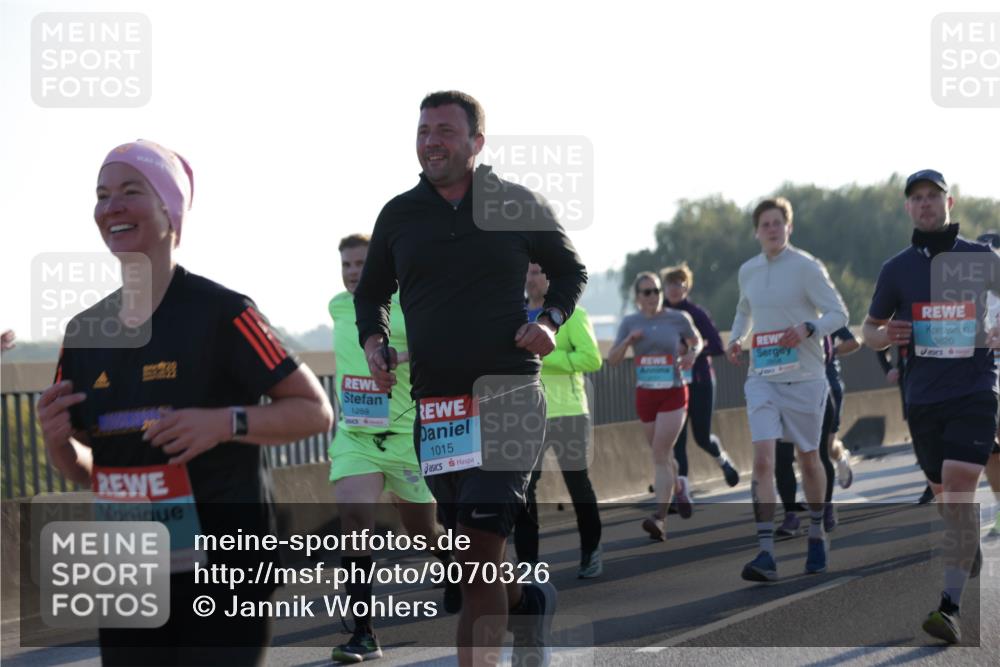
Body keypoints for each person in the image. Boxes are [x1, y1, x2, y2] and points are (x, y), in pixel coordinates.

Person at [36, 140, 334, 665]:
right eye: (103, 195)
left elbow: (314, 410)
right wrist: (58, 444)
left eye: (132, 191)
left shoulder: (223, 312)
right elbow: (91, 470)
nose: (113, 207)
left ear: (171, 213)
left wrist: (224, 422)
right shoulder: (83, 333)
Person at [354, 91, 587, 667]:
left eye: (445, 131)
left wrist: (552, 321)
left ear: (477, 142)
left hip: (507, 393)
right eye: (424, 130)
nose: (431, 140)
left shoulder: (515, 204)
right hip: (436, 406)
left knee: (481, 545)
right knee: (470, 552)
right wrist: (374, 343)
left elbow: (569, 270)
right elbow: (372, 293)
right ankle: (530, 603)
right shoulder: (399, 215)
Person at [863, 169, 995, 644]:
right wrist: (884, 335)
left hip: (976, 390)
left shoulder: (982, 258)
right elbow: (869, 329)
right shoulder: (896, 268)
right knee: (947, 498)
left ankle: (949, 608)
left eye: (932, 196)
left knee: (960, 488)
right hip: (923, 398)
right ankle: (967, 544)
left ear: (949, 203)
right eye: (916, 198)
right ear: (908, 208)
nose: (924, 204)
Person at [328, 233, 459, 662]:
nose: (352, 272)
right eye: (346, 264)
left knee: (423, 531)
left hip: (405, 434)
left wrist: (398, 356)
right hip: (356, 435)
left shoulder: (407, 303)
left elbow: (441, 346)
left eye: (361, 263)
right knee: (353, 516)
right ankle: (364, 633)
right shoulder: (337, 307)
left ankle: (453, 564)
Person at [727, 196, 848, 582]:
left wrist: (810, 328)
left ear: (788, 227)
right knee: (762, 460)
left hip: (807, 377)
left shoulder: (807, 267)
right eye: (765, 224)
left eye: (778, 222)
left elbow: (839, 314)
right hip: (762, 378)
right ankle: (765, 553)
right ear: (756, 231)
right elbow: (744, 308)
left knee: (808, 459)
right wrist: (735, 338)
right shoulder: (748, 270)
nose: (772, 229)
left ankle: (816, 531)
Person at [513, 263, 603, 578]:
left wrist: (548, 355)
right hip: (527, 415)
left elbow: (592, 358)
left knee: (578, 484)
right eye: (526, 272)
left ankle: (591, 551)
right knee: (524, 490)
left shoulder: (572, 315)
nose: (530, 278)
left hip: (569, 412)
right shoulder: (515, 315)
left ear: (549, 277)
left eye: (537, 271)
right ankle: (528, 563)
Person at [609, 271, 702, 538]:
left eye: (656, 291)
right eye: (647, 292)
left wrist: (692, 355)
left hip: (673, 393)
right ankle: (680, 486)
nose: (653, 296)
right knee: (664, 455)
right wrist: (628, 341)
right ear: (637, 297)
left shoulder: (678, 318)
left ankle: (659, 519)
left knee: (660, 453)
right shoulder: (630, 322)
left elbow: (697, 341)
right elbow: (613, 359)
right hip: (646, 395)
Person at [661, 263, 740, 498]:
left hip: (701, 381)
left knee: (702, 436)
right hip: (672, 383)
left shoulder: (696, 313)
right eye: (670, 285)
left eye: (679, 284)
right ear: (663, 288)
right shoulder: (659, 315)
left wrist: (691, 349)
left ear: (686, 288)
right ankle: (682, 491)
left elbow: (717, 345)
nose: (674, 289)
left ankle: (722, 459)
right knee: (678, 439)